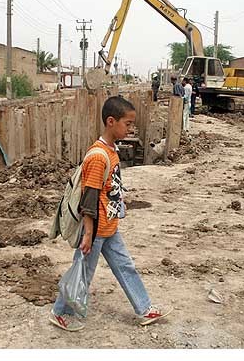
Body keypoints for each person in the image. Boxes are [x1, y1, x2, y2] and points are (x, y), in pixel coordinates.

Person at [49, 96, 173, 332]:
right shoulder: (98, 157)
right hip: (95, 230)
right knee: (83, 271)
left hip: (109, 225)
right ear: (110, 121)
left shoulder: (111, 151)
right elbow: (89, 199)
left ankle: (144, 309)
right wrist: (88, 235)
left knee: (125, 266)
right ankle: (59, 312)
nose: (131, 128)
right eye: (128, 124)